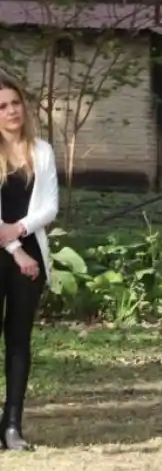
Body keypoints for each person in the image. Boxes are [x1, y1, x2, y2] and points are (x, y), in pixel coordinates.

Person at [0, 75, 59, 452]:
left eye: (15, 103)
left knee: (19, 341)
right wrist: (14, 249)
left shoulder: (43, 151)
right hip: (12, 254)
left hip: (31, 257)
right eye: (2, 106)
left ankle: (12, 427)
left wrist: (20, 230)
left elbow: (50, 206)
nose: (11, 111)